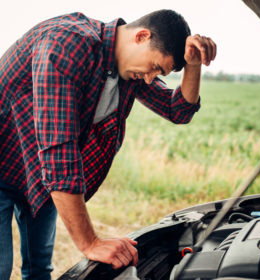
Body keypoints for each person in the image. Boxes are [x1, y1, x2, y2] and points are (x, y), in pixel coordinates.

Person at [0, 9, 216, 279]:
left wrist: (194, 65)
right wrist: (90, 242)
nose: (152, 78)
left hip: (37, 174)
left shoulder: (129, 68)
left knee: (39, 268)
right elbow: (59, 155)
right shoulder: (66, 43)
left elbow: (178, 110)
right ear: (141, 36)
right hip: (5, 160)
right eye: (156, 68)